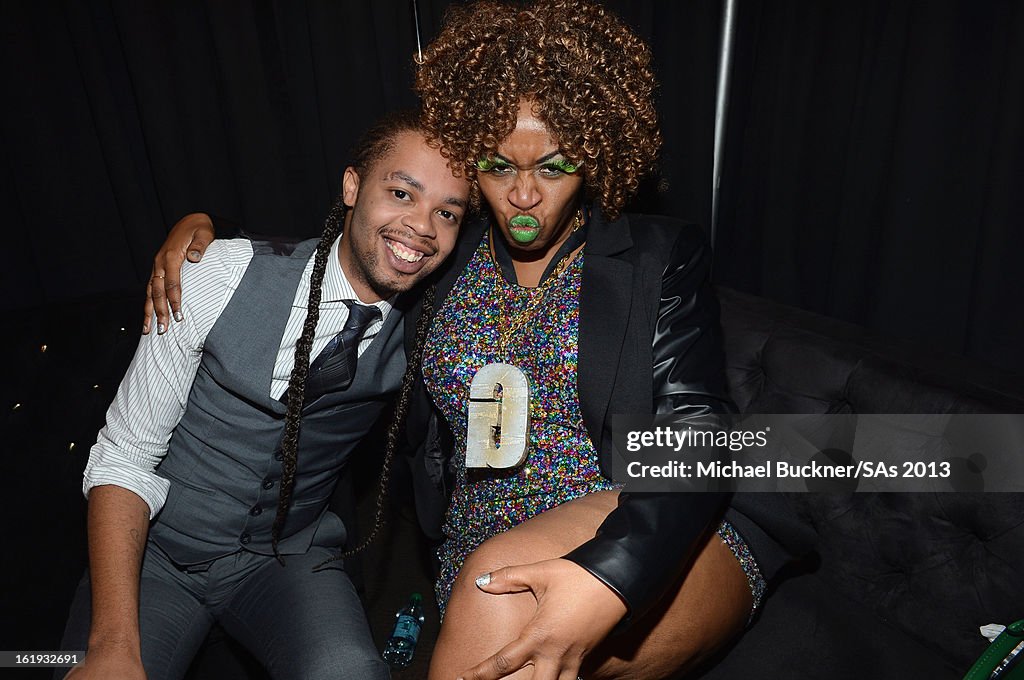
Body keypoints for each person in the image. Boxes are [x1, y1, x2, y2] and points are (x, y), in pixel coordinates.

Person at [149, 2, 793, 678]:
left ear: (597, 155)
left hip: (647, 517)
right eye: (494, 165)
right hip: (476, 538)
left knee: (496, 588)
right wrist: (206, 227)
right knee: (488, 581)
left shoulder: (656, 253)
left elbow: (698, 427)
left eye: (552, 167)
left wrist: (612, 573)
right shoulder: (442, 255)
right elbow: (345, 246)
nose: (520, 196)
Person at [58, 111, 470, 680]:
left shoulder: (433, 325)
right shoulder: (219, 274)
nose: (421, 225)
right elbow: (124, 456)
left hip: (286, 560)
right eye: (401, 192)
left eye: (446, 213)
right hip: (155, 553)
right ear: (352, 187)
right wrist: (110, 647)